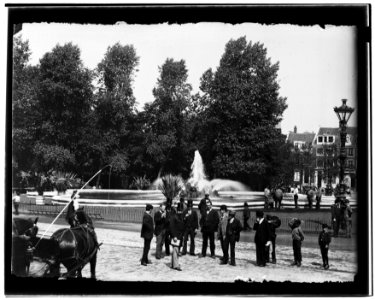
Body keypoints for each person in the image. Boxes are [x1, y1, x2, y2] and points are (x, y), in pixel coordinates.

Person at [170, 203, 185, 271]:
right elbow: (171, 227)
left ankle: (173, 264)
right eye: (179, 211)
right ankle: (176, 265)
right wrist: (174, 236)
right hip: (175, 237)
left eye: (181, 211)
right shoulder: (174, 217)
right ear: (177, 210)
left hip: (180, 236)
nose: (180, 212)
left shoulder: (181, 217)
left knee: (175, 251)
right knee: (175, 250)